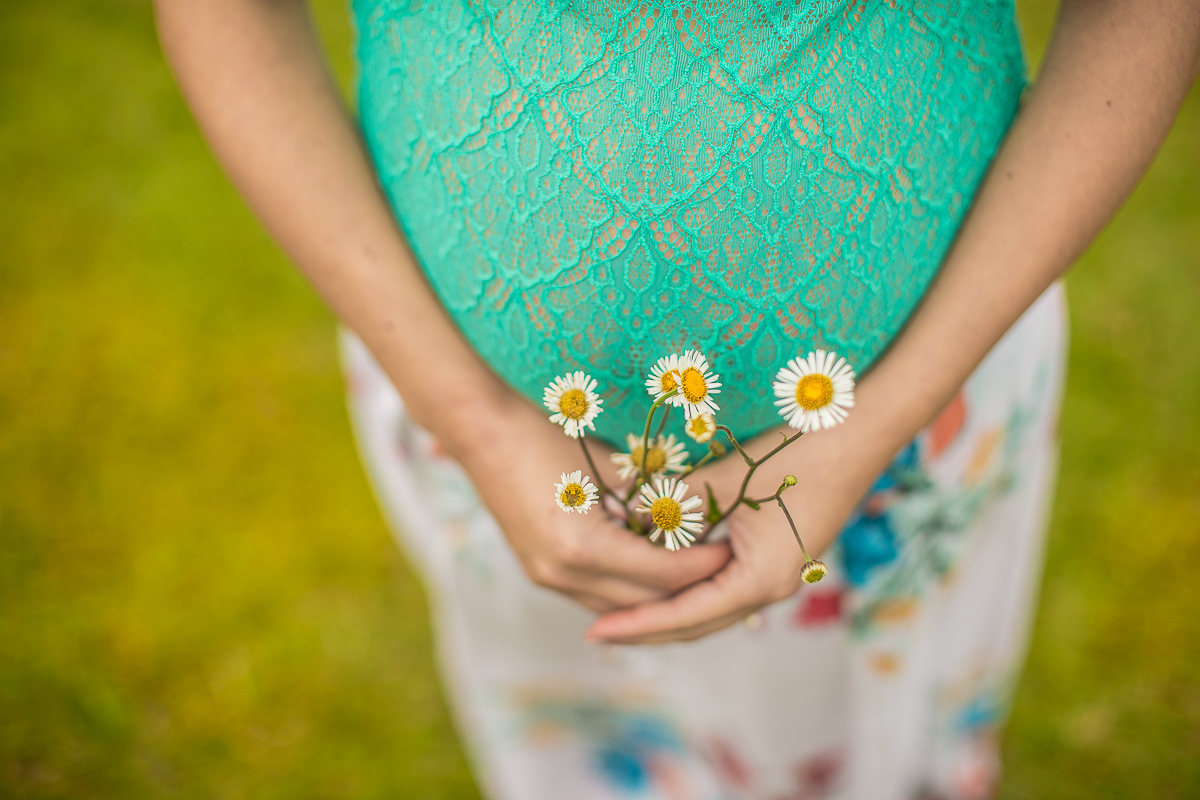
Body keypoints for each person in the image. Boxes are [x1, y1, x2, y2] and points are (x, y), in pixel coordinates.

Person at [156, 1, 1200, 797]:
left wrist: (876, 422)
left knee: (878, 750)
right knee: (569, 735)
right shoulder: (474, 429)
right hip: (490, 445)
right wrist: (475, 419)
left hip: (914, 422)